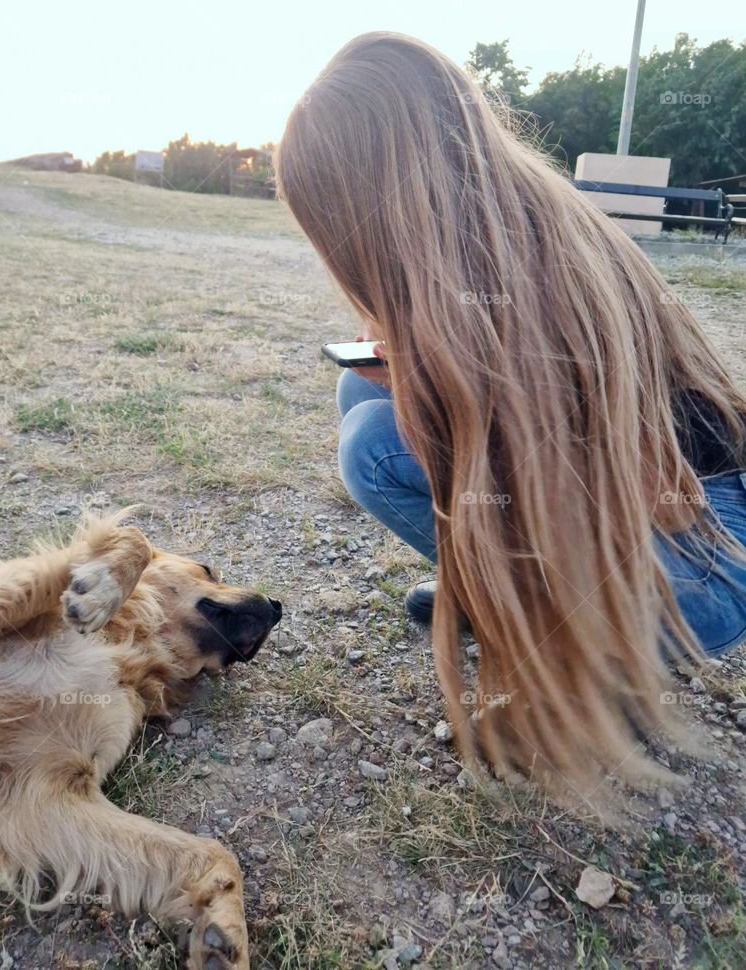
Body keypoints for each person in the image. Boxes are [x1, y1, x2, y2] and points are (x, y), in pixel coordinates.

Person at [274, 33, 746, 803]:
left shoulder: (530, 278)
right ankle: (500, 599)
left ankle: (581, 654)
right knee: (362, 395)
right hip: (681, 522)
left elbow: (609, 486)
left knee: (375, 444)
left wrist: (435, 393)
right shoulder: (507, 234)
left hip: (704, 556)